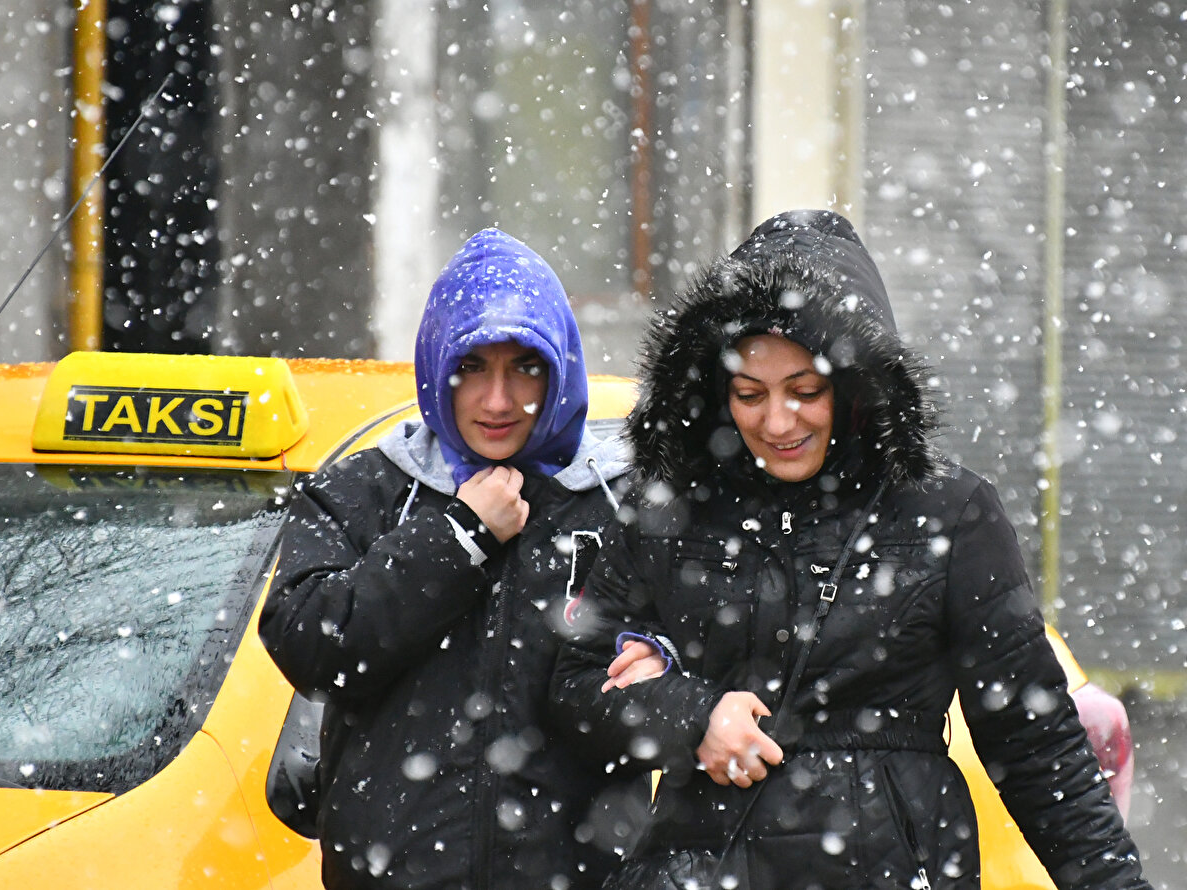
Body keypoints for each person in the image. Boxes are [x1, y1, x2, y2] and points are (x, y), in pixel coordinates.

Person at [550, 210, 1151, 889]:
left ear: (857, 384)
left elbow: (1034, 738)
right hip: (703, 865)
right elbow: (576, 684)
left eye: (805, 391)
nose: (777, 422)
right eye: (750, 395)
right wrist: (693, 717)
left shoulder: (947, 512)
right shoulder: (673, 508)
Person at [259, 227, 662, 889]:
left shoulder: (622, 505)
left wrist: (660, 657)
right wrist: (460, 536)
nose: (497, 400)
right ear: (435, 365)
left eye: (524, 367)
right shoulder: (364, 490)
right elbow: (310, 646)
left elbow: (711, 651)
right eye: (471, 367)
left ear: (560, 368)